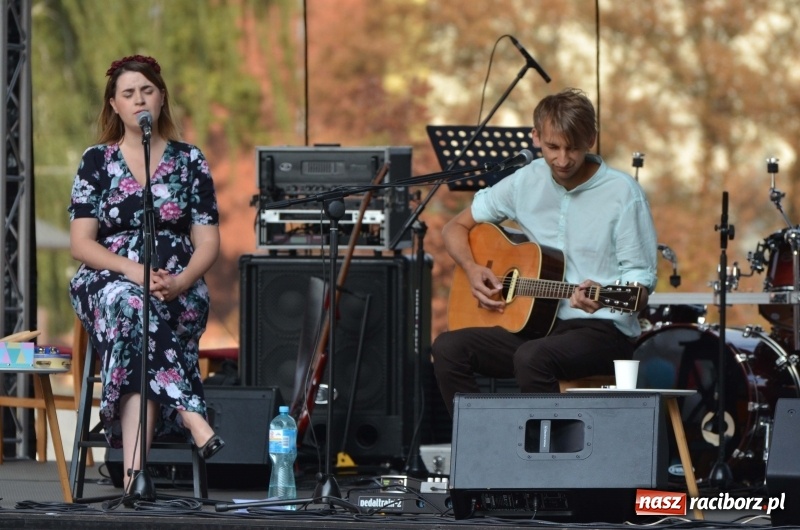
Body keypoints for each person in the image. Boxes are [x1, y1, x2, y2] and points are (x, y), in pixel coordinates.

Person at [432, 88, 658, 417]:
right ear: (535, 137)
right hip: (539, 327)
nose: (563, 159)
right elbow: (454, 228)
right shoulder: (524, 180)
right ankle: (485, 447)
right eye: (553, 147)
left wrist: (605, 297)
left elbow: (639, 285)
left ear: (591, 139)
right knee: (448, 347)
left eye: (573, 148)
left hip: (603, 332)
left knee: (532, 357)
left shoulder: (623, 194)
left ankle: (545, 461)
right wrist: (471, 268)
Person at [68, 54, 224, 492]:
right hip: (108, 278)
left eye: (147, 91)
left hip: (177, 282)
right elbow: (81, 243)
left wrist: (182, 280)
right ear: (114, 105)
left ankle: (136, 478)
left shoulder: (190, 161)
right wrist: (134, 270)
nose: (139, 100)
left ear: (161, 98)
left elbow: (209, 242)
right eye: (128, 93)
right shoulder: (97, 160)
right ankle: (193, 416)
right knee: (131, 302)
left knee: (141, 325)